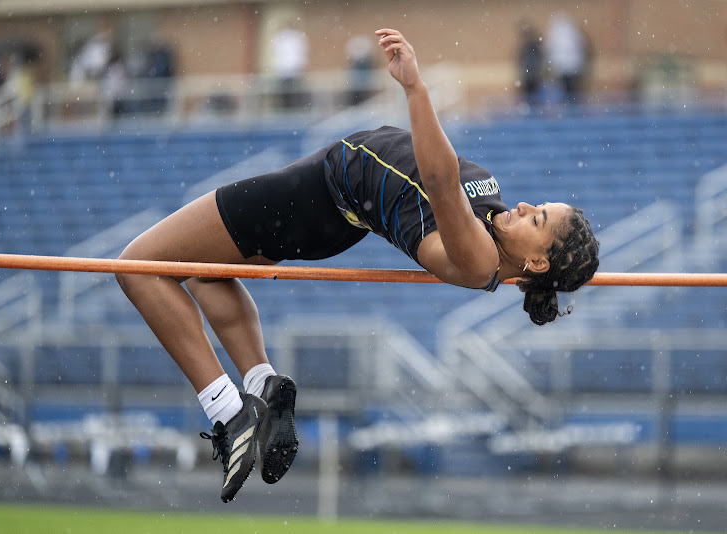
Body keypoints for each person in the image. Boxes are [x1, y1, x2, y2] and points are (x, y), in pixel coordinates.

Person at [116, 28, 600, 503]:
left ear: (536, 262)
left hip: (310, 200)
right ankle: (263, 386)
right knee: (204, 272)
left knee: (136, 267)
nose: (523, 207)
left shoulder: (480, 259)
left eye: (537, 219)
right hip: (334, 212)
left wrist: (414, 88)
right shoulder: (497, 232)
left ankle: (225, 414)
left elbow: (439, 177)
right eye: (537, 206)